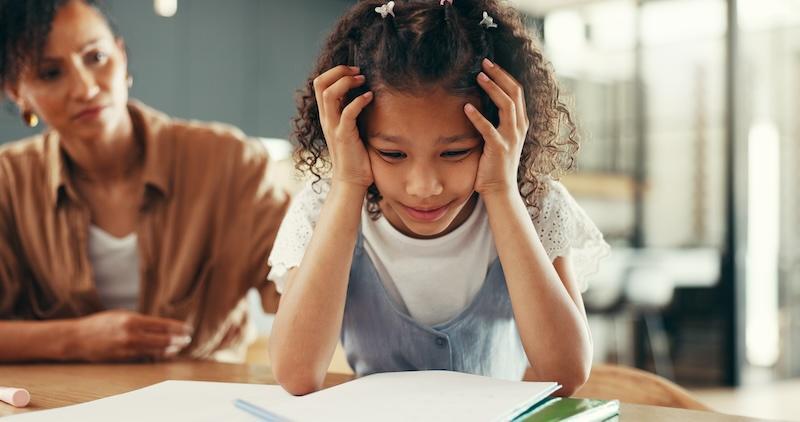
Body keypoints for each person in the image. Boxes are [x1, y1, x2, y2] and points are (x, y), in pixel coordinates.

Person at [267, 0, 610, 396]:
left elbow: (565, 374)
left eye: (455, 152)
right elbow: (296, 375)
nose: (424, 186)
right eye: (393, 154)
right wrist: (347, 183)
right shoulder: (322, 208)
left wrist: (501, 191)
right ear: (355, 139)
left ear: (502, 133)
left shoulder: (532, 202)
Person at [0, 0, 288, 363]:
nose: (86, 88)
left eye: (96, 57)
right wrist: (75, 339)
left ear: (121, 57)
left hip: (207, 393)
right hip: (66, 402)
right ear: (16, 92)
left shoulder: (229, 161)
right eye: (50, 73)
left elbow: (298, 288)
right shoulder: (8, 182)